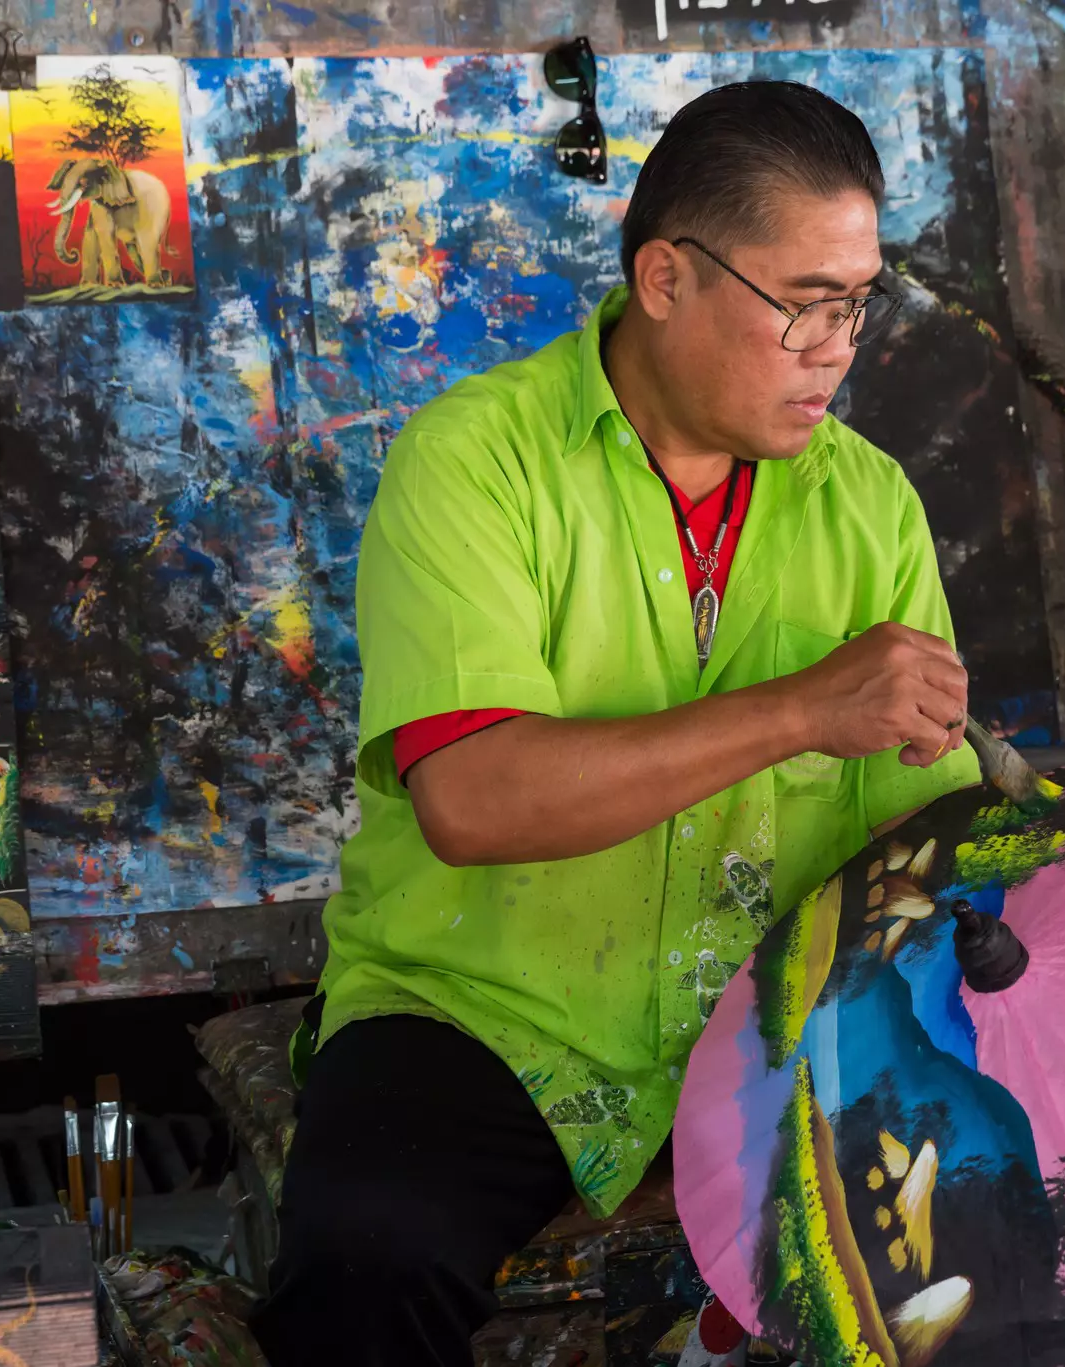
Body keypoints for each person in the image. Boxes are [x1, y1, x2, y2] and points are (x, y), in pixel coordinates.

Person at [249, 79, 981, 1365]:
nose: (836, 346)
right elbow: (473, 800)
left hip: (774, 1013)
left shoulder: (869, 506)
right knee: (368, 1255)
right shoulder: (476, 462)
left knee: (1013, 1231)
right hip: (488, 1010)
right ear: (664, 277)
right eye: (803, 302)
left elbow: (921, 820)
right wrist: (805, 707)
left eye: (858, 302)